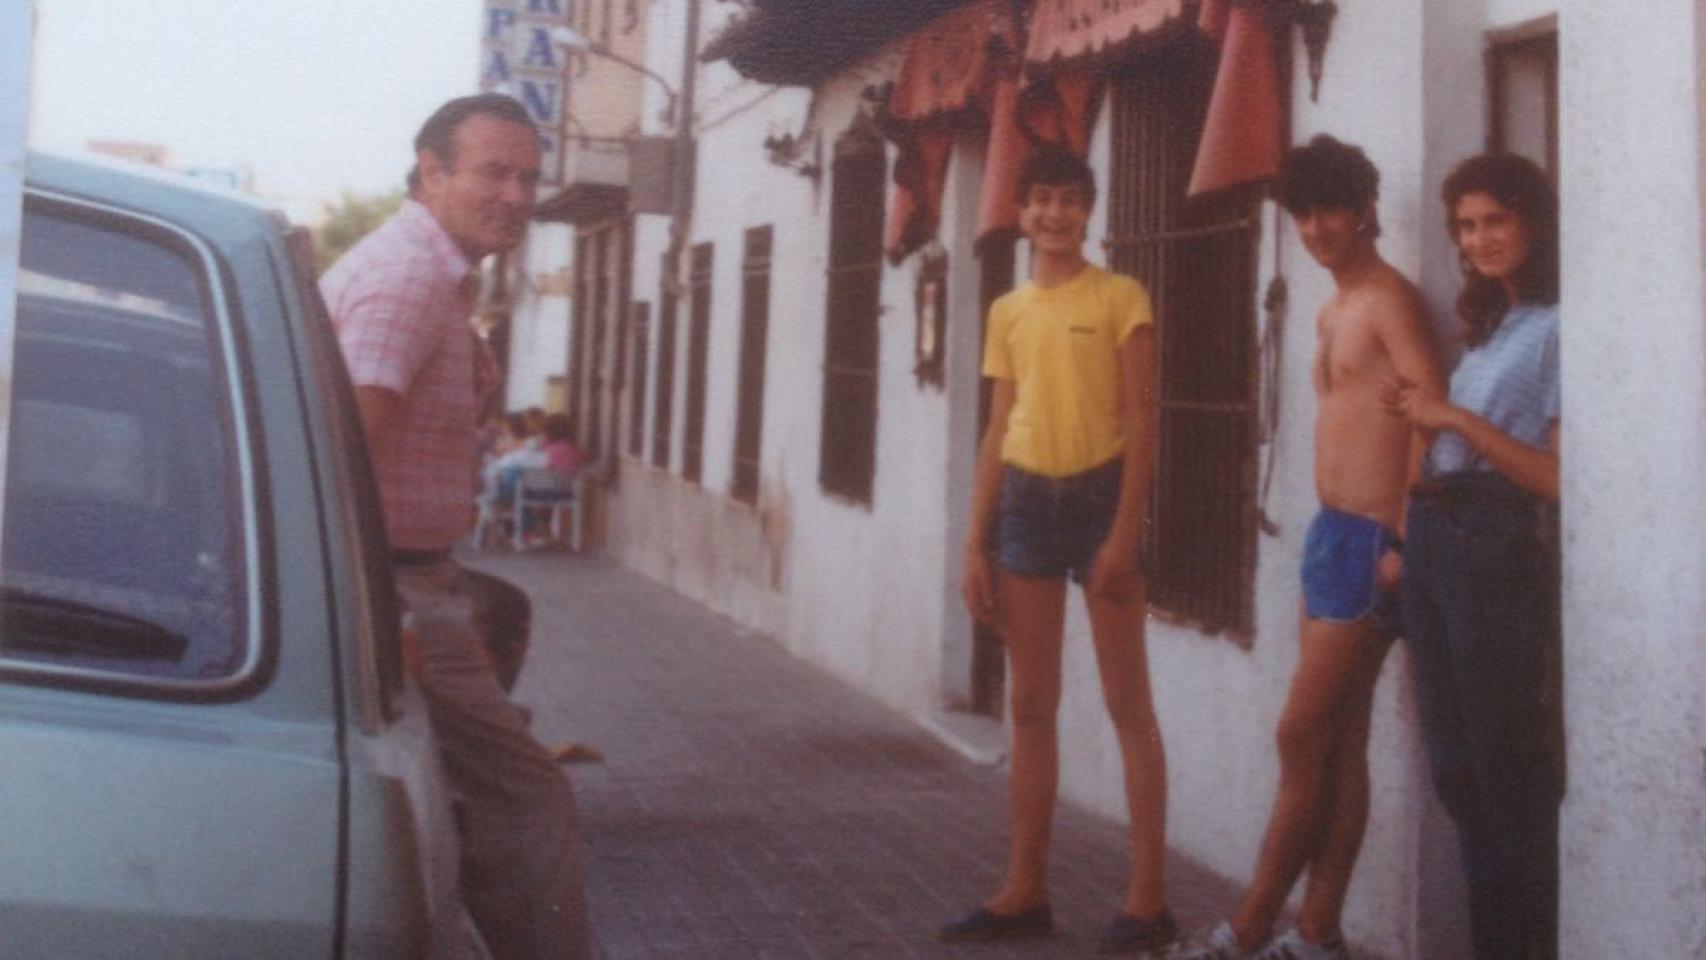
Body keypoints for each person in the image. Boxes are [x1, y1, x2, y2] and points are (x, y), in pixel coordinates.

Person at [320, 93, 590, 960]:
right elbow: (343, 458)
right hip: (395, 584)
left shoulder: (430, 274)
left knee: (438, 798)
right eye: (492, 172)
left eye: (528, 177)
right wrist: (378, 611)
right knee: (526, 794)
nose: (516, 194)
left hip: (409, 579)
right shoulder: (406, 280)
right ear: (430, 172)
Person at [1186, 135, 1443, 960]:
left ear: (1365, 208)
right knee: (1337, 739)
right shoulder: (1333, 307)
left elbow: (1428, 415)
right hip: (1331, 535)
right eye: (1303, 212)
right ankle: (1318, 933)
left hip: (1373, 539)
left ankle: (1252, 925)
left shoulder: (1388, 300)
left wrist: (1404, 534)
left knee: (1300, 733)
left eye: (1332, 208)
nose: (1317, 226)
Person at [940, 146, 1175, 954]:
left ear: (1089, 210)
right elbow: (998, 430)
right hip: (1026, 507)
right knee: (1031, 706)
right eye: (1040, 200)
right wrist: (974, 540)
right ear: (1021, 209)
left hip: (1101, 498)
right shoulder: (1007, 310)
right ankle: (1024, 890)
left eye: (1069, 200)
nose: (1054, 215)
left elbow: (1145, 423)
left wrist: (1122, 533)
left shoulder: (1122, 297)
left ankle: (1148, 901)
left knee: (1126, 703)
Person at [1384, 152, 1562, 960]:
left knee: (1504, 772)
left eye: (1496, 220)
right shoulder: (1495, 323)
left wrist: (1454, 420)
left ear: (1533, 221)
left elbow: (1555, 480)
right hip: (1437, 540)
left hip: (1493, 545)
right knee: (1456, 773)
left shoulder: (1563, 323)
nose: (1480, 239)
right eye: (1466, 226)